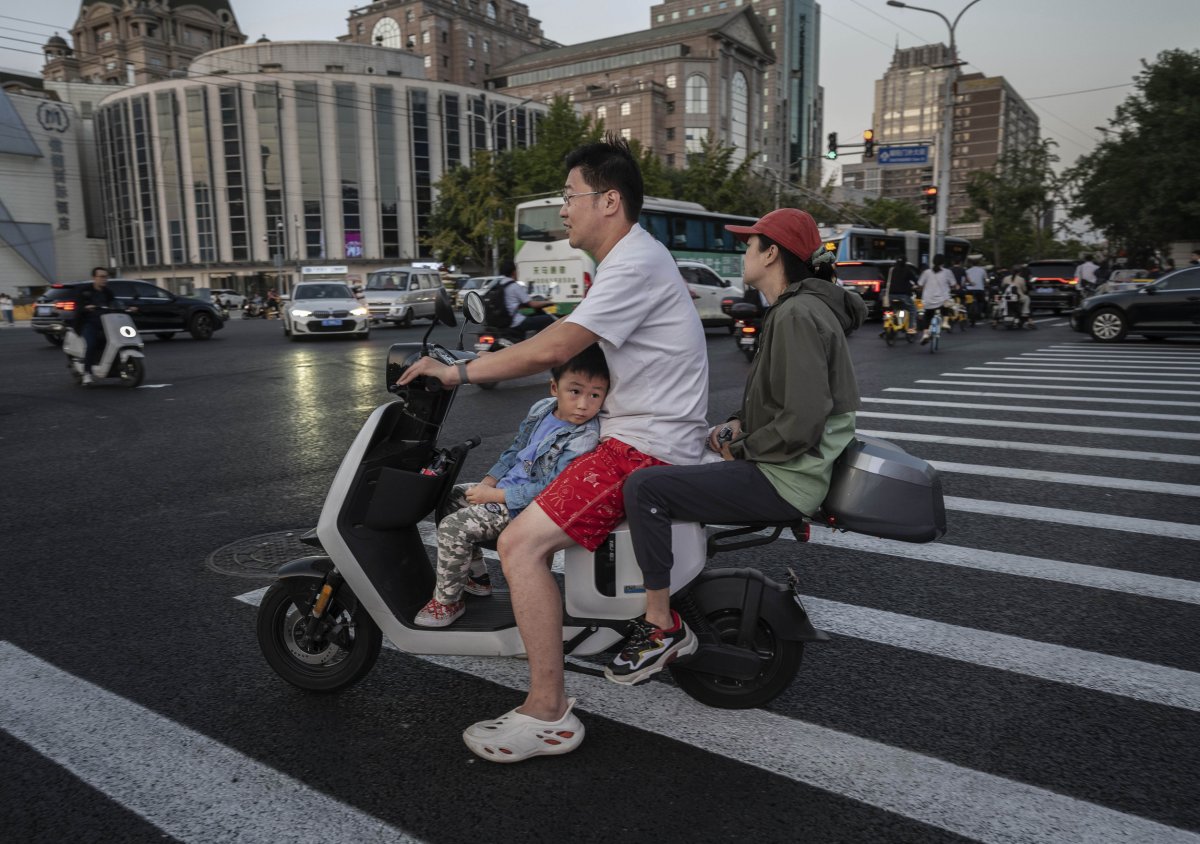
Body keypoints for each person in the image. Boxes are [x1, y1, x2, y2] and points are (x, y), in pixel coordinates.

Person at [397, 134, 710, 763]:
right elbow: (562, 339)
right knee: (513, 520)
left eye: (569, 196)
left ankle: (549, 713)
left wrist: (458, 372)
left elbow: (551, 350)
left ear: (610, 201)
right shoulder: (628, 262)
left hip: (644, 447)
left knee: (520, 541)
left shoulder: (635, 263)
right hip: (637, 434)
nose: (562, 209)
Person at [610, 208, 865, 685]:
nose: (742, 252)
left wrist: (740, 449)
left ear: (771, 253)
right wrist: (733, 428)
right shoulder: (798, 310)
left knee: (646, 488)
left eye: (750, 245)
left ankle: (659, 624)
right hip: (787, 467)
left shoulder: (796, 314)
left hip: (784, 477)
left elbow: (802, 421)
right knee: (674, 469)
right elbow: (782, 403)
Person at [414, 346, 609, 628]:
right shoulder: (542, 410)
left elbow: (551, 488)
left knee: (455, 527)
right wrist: (489, 481)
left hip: (530, 508)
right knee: (451, 497)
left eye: (595, 395)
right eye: (575, 391)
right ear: (555, 388)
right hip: (505, 491)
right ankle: (477, 577)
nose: (583, 404)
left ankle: (448, 602)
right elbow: (516, 449)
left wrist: (496, 495)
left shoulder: (583, 437)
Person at [73, 267, 135, 385]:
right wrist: (85, 307)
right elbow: (78, 306)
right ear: (94, 278)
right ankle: (87, 374)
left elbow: (115, 303)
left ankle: (117, 367)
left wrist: (128, 307)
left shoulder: (107, 292)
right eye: (101, 276)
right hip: (88, 323)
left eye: (106, 277)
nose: (104, 279)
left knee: (117, 341)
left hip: (106, 323)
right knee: (91, 344)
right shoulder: (85, 291)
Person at [499, 259, 555, 338]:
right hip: (516, 321)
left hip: (505, 321)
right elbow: (533, 304)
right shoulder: (514, 286)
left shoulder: (500, 285)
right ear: (513, 272)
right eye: (517, 270)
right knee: (549, 319)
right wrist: (548, 302)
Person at [916, 254, 955, 345]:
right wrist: (955, 287)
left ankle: (925, 334)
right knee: (948, 303)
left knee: (927, 316)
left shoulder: (926, 272)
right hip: (942, 301)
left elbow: (920, 285)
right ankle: (945, 322)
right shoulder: (947, 272)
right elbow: (953, 284)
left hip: (928, 300)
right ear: (943, 262)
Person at [883, 260, 919, 333]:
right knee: (912, 310)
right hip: (903, 296)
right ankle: (911, 328)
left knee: (895, 308)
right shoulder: (907, 270)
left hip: (891, 295)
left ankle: (894, 322)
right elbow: (915, 281)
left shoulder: (892, 270)